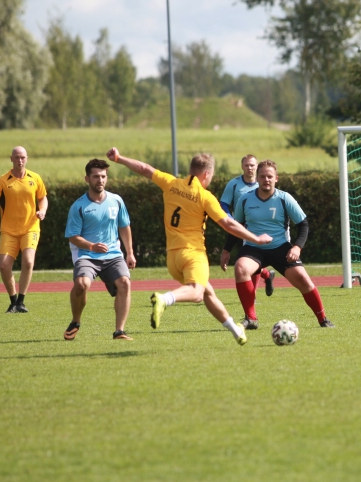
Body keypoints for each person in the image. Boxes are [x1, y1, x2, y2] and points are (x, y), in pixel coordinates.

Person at [106, 147, 271, 345]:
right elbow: (228, 224)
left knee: (208, 291)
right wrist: (256, 239)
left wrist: (119, 158)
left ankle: (235, 329)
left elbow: (144, 168)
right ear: (206, 174)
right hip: (193, 255)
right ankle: (164, 299)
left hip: (173, 259)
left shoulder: (171, 183)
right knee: (197, 292)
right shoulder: (204, 196)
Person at [222, 160, 335, 328]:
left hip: (281, 248)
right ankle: (251, 319)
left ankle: (323, 319)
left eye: (270, 176)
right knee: (241, 268)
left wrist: (297, 247)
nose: (266, 179)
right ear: (257, 179)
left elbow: (303, 224)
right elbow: (236, 226)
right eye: (263, 176)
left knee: (304, 279)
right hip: (253, 248)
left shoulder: (284, 198)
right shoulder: (245, 200)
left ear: (276, 178)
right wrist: (226, 250)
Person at [63, 159, 137, 341]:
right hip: (86, 255)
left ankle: (119, 331)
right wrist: (91, 246)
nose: (100, 180)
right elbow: (73, 236)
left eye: (103, 176)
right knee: (81, 285)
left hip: (113, 255)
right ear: (87, 179)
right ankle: (75, 321)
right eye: (96, 176)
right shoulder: (78, 206)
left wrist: (130, 252)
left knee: (125, 283)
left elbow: (124, 227)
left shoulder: (116, 201)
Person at [0, 146, 47, 313]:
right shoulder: (3, 180)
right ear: (11, 159)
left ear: (26, 158)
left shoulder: (35, 178)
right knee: (4, 266)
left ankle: (21, 301)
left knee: (28, 262)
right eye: (17, 157)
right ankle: (13, 301)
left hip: (30, 228)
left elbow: (43, 198)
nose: (20, 160)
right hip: (8, 230)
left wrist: (42, 211)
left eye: (23, 157)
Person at [218, 154, 275, 299]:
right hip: (240, 227)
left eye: (252, 165)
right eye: (246, 165)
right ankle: (267, 275)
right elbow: (224, 203)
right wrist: (230, 218)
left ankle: (253, 294)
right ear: (242, 167)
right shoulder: (234, 184)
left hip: (258, 227)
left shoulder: (263, 183)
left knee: (251, 259)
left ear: (257, 167)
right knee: (248, 260)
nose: (249, 168)